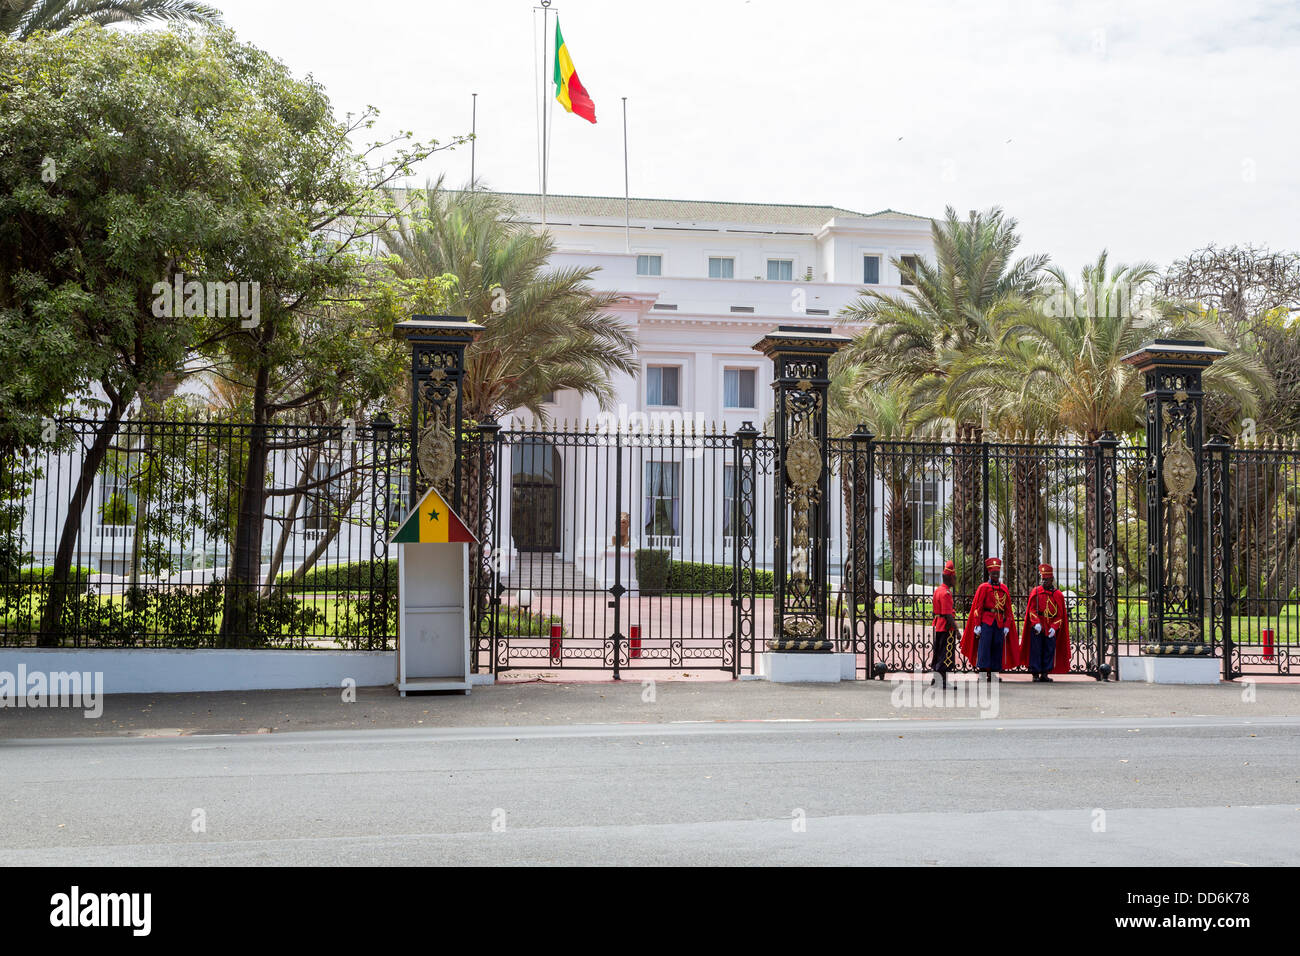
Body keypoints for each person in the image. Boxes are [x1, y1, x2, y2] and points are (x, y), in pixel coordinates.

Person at [960, 557, 1018, 681]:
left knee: (997, 646)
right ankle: (982, 673)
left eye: (997, 573)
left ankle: (993, 674)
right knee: (984, 647)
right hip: (986, 621)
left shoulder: (1004, 589)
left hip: (999, 622)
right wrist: (977, 624)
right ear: (989, 574)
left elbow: (1008, 609)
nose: (996, 575)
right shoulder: (984, 587)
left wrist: (1007, 625)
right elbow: (978, 607)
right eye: (993, 573)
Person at [1020, 563, 1071, 681]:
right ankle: (1035, 674)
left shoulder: (1058, 594)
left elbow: (1060, 614)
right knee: (1036, 649)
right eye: (1042, 579)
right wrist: (1035, 622)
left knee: (1049, 649)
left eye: (1046, 580)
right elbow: (1032, 609)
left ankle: (1045, 673)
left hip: (1050, 625)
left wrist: (1055, 626)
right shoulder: (1036, 591)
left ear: (1052, 579)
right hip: (1038, 624)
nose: (1043, 582)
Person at [930, 559, 957, 687]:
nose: (955, 580)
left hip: (939, 626)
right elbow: (948, 614)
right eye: (954, 578)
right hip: (946, 627)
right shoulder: (946, 593)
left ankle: (936, 679)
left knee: (939, 652)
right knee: (946, 654)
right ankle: (942, 681)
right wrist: (957, 630)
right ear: (949, 577)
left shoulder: (938, 590)